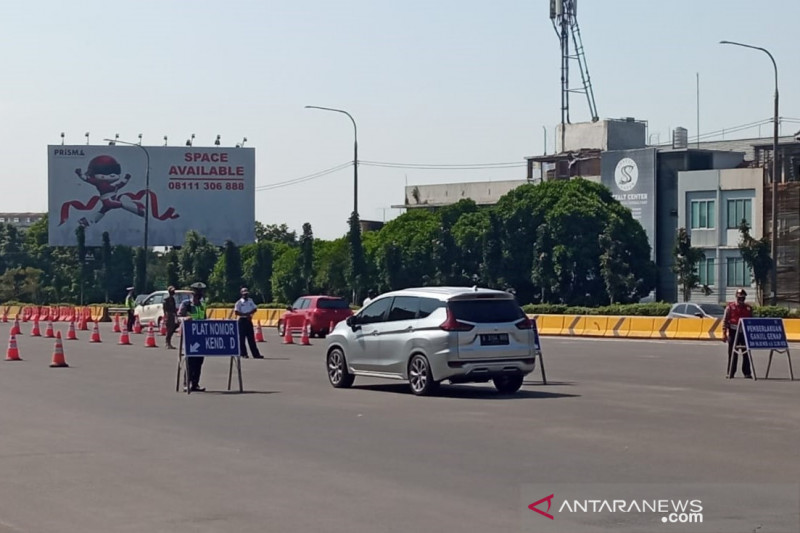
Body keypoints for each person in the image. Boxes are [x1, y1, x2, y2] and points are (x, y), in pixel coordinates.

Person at [179, 282, 208, 392]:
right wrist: (185, 318)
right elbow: (179, 317)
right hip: (189, 337)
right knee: (189, 360)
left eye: (200, 294)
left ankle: (195, 383)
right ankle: (187, 383)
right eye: (197, 293)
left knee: (199, 361)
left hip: (200, 337)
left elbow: (204, 319)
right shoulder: (186, 304)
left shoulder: (202, 305)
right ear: (193, 294)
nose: (199, 296)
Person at [722, 288, 754, 379]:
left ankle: (747, 373)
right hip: (733, 332)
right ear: (736, 297)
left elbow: (751, 322)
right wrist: (724, 333)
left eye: (743, 298)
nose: (741, 299)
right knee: (732, 353)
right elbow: (725, 321)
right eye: (739, 298)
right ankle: (730, 373)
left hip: (744, 333)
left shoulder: (748, 308)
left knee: (746, 353)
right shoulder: (730, 307)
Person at [234, 287, 263, 359]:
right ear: (241, 294)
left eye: (246, 294)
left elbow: (255, 309)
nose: (245, 295)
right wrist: (245, 315)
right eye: (244, 294)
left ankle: (256, 354)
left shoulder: (250, 301)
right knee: (242, 339)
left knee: (251, 339)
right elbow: (236, 312)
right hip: (242, 321)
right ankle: (243, 354)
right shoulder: (239, 302)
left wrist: (249, 314)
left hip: (248, 320)